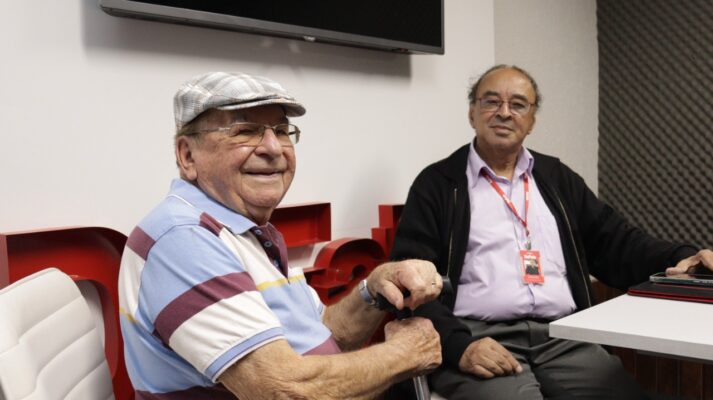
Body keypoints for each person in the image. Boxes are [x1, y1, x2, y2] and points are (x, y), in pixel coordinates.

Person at [390, 64, 713, 399]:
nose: (504, 113)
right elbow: (409, 283)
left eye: (518, 104)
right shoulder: (438, 185)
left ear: (532, 119)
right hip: (479, 337)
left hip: (563, 337)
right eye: (490, 102)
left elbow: (617, 243)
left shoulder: (557, 178)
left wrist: (682, 257)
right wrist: (460, 346)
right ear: (472, 113)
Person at [118, 71, 443, 399]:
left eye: (282, 130)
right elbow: (284, 391)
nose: (273, 148)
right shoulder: (183, 239)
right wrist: (405, 354)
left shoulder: (245, 229)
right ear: (188, 156)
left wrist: (374, 290)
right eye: (245, 131)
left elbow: (323, 334)